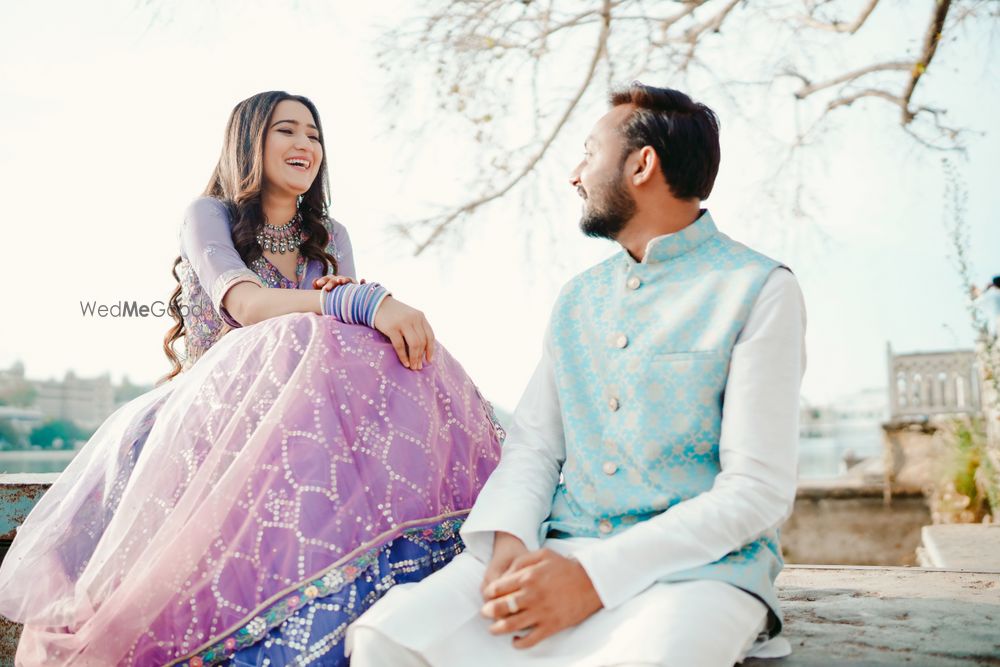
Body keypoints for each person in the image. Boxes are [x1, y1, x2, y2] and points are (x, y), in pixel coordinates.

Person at [0, 91, 503, 666]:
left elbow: (341, 351)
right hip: (212, 415)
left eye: (314, 135)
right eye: (287, 131)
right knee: (317, 329)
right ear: (250, 143)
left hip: (299, 425)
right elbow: (248, 305)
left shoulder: (331, 236)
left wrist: (365, 311)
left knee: (370, 353)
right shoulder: (206, 215)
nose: (305, 145)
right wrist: (366, 301)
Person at [347, 83, 807, 667]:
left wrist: (591, 578)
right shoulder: (578, 299)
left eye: (589, 153)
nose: (574, 175)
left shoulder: (759, 287)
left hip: (696, 576)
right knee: (388, 637)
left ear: (643, 164)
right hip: (554, 550)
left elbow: (757, 492)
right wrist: (511, 545)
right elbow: (536, 445)